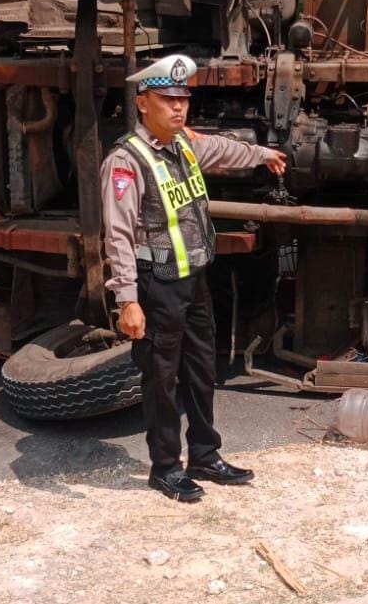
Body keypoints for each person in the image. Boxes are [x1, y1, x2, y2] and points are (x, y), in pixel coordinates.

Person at [100, 53, 287, 502]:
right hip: (156, 284)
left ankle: (204, 454)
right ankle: (165, 467)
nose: (178, 107)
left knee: (203, 371)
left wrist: (262, 154)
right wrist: (127, 300)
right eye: (168, 99)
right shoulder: (126, 161)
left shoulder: (184, 144)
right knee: (162, 381)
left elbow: (222, 149)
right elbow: (118, 236)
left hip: (195, 282)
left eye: (183, 99)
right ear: (142, 102)